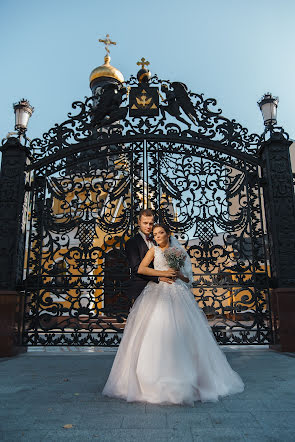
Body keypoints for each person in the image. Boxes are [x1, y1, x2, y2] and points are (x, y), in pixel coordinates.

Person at [102, 224, 244, 405]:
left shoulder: (178, 251)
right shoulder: (153, 251)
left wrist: (178, 275)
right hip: (158, 291)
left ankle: (191, 379)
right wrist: (161, 274)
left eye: (161, 233)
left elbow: (188, 277)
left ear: (168, 234)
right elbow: (141, 269)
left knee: (187, 334)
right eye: (155, 234)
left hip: (178, 291)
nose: (158, 236)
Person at [124, 209, 172, 304]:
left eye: (151, 223)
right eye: (145, 223)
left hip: (162, 288)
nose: (148, 226)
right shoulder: (132, 242)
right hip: (141, 287)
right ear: (139, 222)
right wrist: (158, 278)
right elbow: (136, 268)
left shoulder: (157, 240)